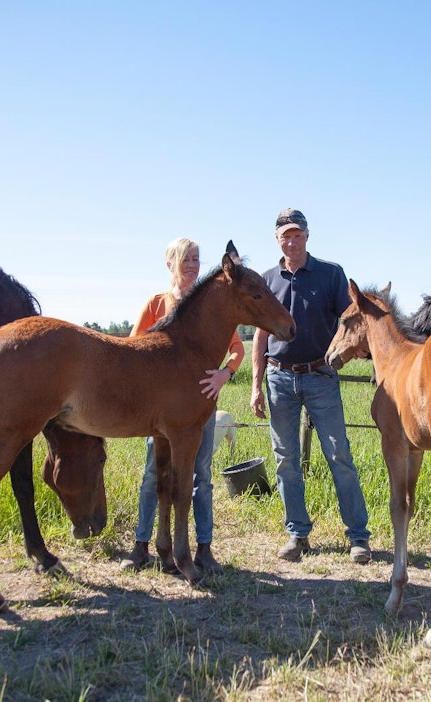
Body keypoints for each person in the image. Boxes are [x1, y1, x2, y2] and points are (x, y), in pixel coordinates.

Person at [250, 208, 371, 564]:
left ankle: (359, 537)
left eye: (297, 234)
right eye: (285, 235)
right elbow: (259, 337)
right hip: (279, 378)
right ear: (277, 239)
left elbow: (352, 321)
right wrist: (256, 385)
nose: (291, 240)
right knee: (286, 460)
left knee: (339, 456)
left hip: (320, 376)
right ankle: (297, 534)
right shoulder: (267, 279)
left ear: (307, 235)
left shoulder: (331, 275)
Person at [120, 237, 244, 575]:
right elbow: (132, 350)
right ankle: (140, 546)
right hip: (160, 410)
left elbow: (237, 348)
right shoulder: (157, 304)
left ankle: (204, 548)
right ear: (171, 262)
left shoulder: (211, 306)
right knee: (152, 475)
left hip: (201, 406)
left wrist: (224, 374)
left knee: (201, 475)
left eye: (197, 259)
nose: (192, 265)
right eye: (186, 259)